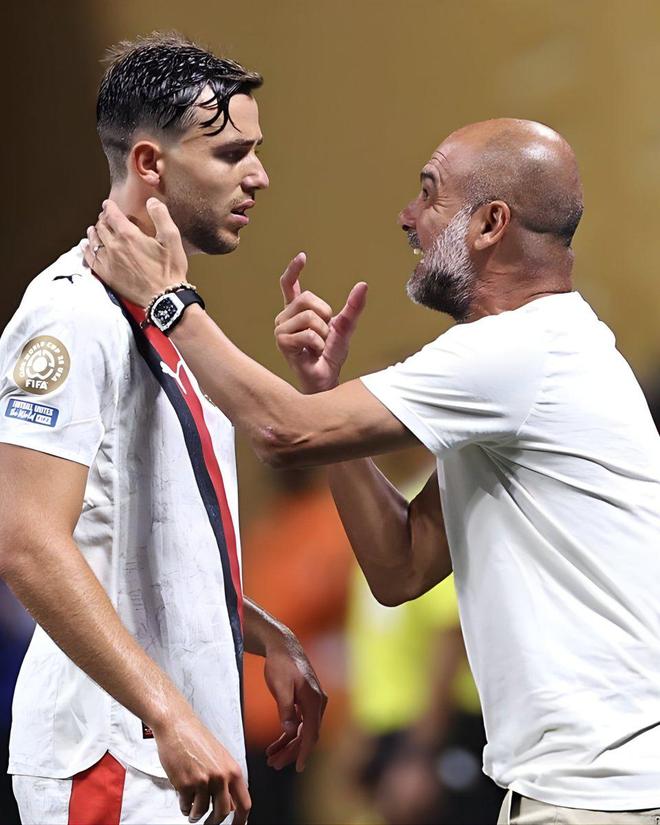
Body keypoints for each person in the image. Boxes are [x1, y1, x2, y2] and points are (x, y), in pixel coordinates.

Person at [92, 115, 660, 824]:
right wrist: (322, 394)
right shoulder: (544, 355)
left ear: (490, 224)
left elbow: (279, 433)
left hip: (600, 793)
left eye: (429, 193)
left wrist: (168, 299)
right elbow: (401, 568)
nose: (407, 216)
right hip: (593, 785)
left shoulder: (519, 348)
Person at [0, 33, 328, 825]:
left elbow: (143, 542)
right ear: (150, 163)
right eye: (231, 153)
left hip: (172, 749)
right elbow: (26, 541)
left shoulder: (166, 316)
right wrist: (169, 713)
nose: (259, 175)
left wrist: (260, 630)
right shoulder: (71, 314)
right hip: (115, 757)